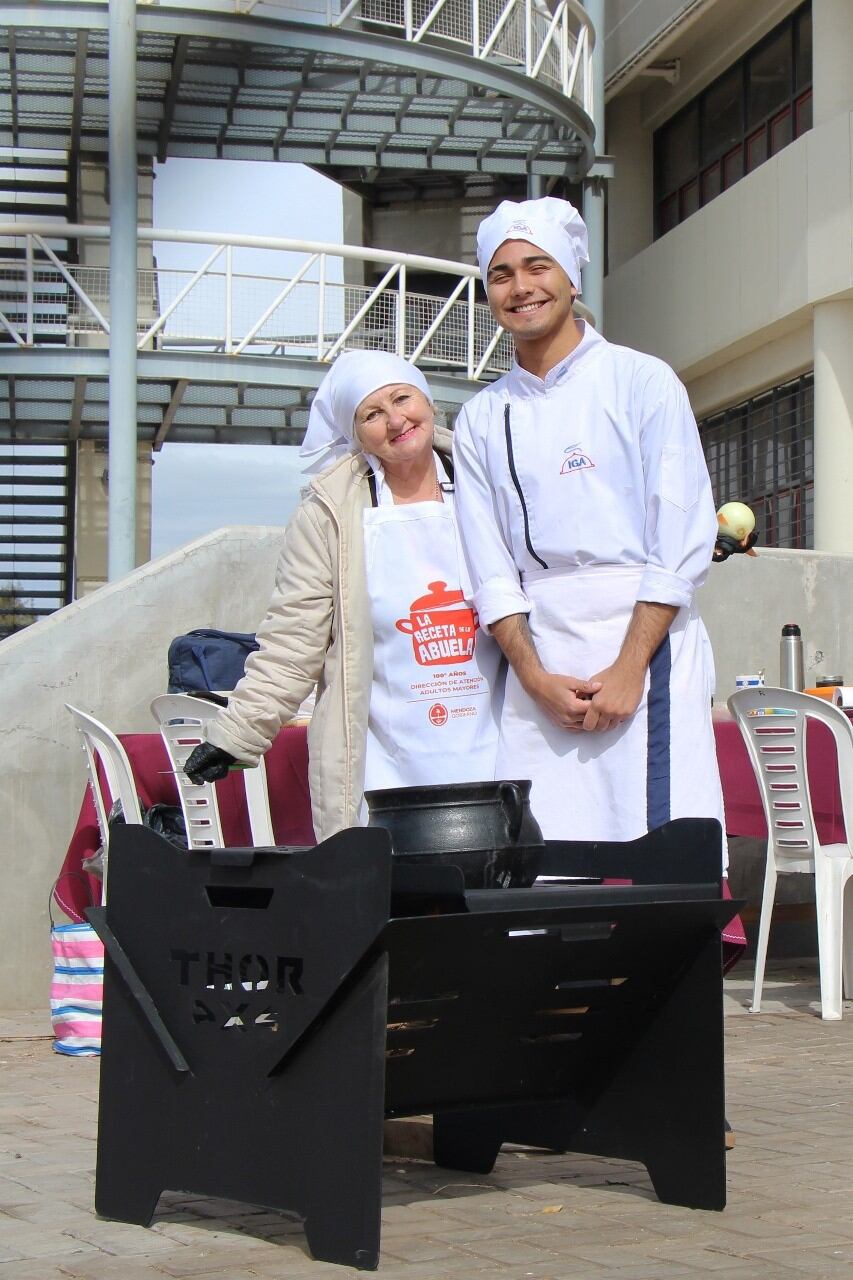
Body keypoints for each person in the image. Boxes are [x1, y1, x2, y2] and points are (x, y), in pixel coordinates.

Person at [451, 196, 726, 847]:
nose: (520, 287)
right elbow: (489, 570)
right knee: (541, 854)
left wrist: (630, 667)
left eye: (536, 266)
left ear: (571, 277)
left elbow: (678, 540)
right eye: (500, 274)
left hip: (644, 646)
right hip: (539, 663)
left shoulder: (641, 382)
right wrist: (534, 677)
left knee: (656, 848)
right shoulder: (480, 419)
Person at [183, 351, 501, 843]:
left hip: (496, 742)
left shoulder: (488, 477)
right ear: (356, 433)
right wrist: (238, 733)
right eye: (372, 414)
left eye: (402, 399)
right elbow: (294, 639)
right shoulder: (328, 511)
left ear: (429, 402)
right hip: (383, 760)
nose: (395, 420)